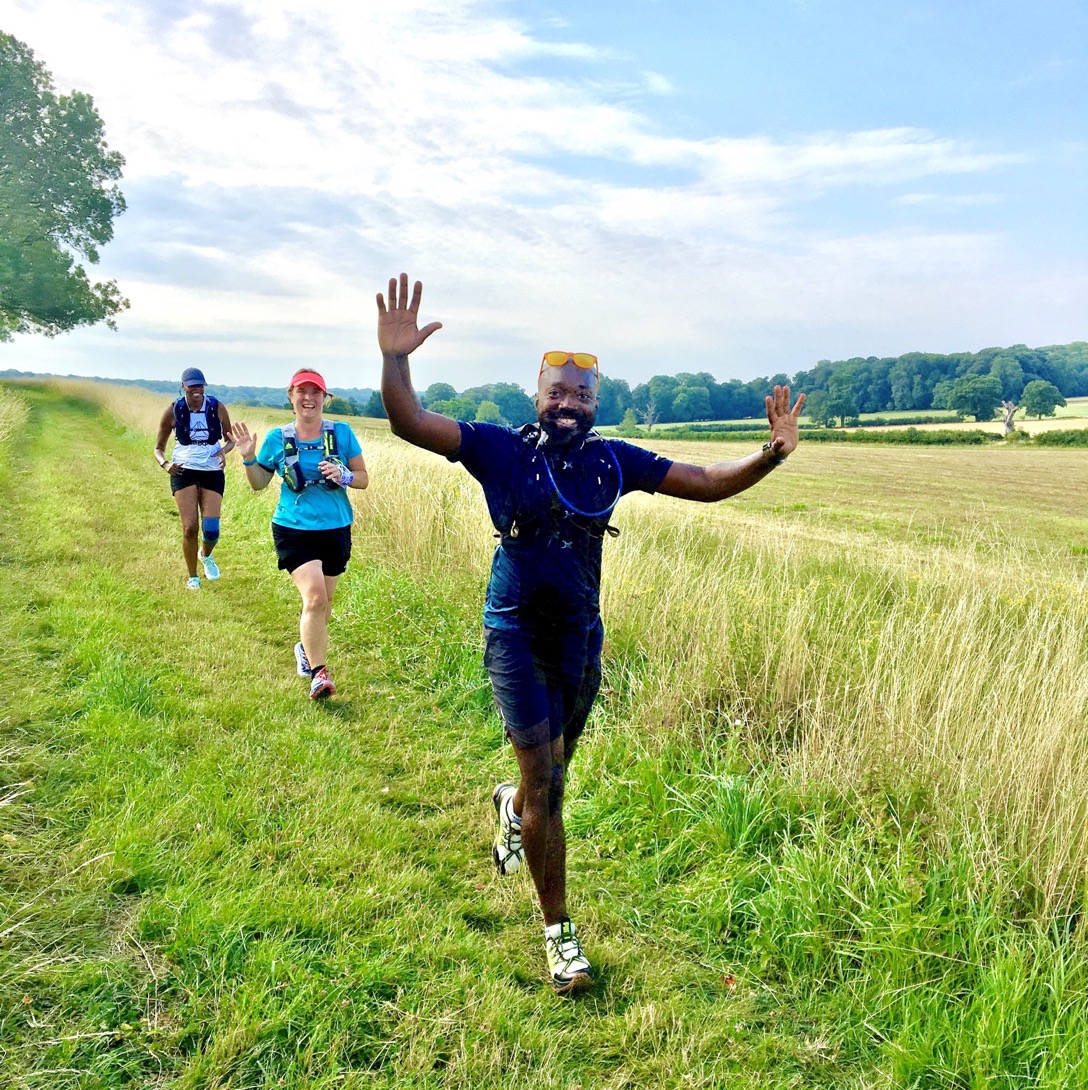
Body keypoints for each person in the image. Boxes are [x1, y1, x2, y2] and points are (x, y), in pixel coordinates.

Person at [377, 273, 805, 994]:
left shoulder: (613, 461)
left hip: (580, 640)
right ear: (535, 396)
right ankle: (559, 937)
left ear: (595, 405)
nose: (567, 403)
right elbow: (410, 422)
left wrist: (769, 455)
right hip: (513, 632)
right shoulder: (498, 450)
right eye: (556, 391)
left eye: (580, 395)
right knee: (548, 781)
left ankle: (510, 808)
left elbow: (703, 479)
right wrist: (396, 361)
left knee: (550, 782)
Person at [230, 369, 368, 700]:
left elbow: (363, 478)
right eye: (302, 391)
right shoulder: (278, 438)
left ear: (325, 398)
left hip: (335, 525)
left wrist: (344, 474)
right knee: (316, 598)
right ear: (291, 397)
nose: (309, 398)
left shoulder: (342, 433)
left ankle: (306, 649)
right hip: (293, 528)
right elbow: (259, 484)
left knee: (325, 602)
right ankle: (319, 675)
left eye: (316, 392)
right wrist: (249, 457)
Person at [154, 367, 235, 590]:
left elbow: (230, 440)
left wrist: (223, 451)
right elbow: (158, 448)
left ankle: (205, 555)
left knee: (211, 530)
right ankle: (193, 577)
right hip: (184, 470)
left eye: (200, 385)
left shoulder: (217, 407)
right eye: (192, 386)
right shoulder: (174, 410)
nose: (197, 390)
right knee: (190, 527)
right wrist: (166, 464)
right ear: (184, 388)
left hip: (211, 469)